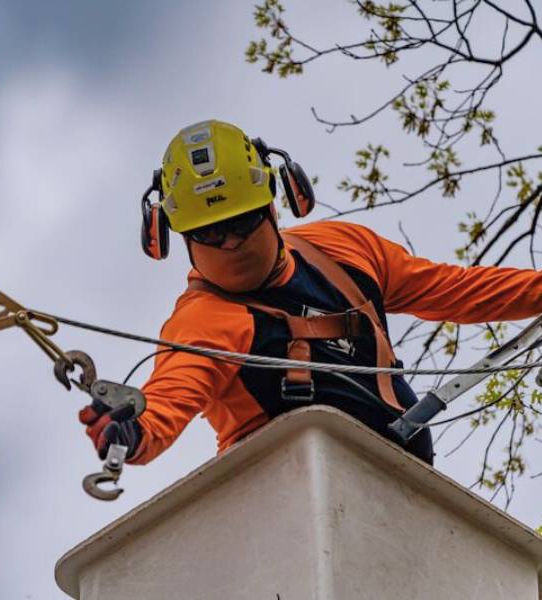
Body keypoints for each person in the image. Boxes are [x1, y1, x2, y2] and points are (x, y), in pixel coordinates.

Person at [79, 119, 542, 467]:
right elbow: (167, 400)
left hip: (404, 485)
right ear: (172, 236)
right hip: (287, 507)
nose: (231, 242)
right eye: (210, 233)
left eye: (241, 222)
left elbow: (458, 290)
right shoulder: (205, 321)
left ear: (276, 205)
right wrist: (130, 430)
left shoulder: (345, 251)